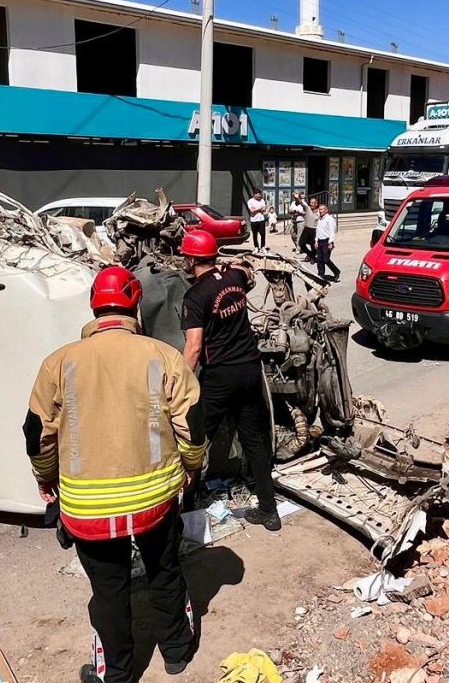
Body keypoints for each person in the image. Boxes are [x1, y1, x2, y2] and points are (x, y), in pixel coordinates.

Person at [26, 266, 205, 683]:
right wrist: (192, 469)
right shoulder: (164, 356)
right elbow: (192, 426)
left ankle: (119, 674)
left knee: (109, 591)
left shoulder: (58, 362)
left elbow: (39, 434)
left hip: (88, 509)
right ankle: (177, 652)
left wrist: (45, 478)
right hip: (156, 501)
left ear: (94, 307)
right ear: (136, 306)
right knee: (165, 572)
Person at [179, 229, 280, 531]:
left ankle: (182, 508)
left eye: (186, 256)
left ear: (191, 259)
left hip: (220, 375)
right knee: (253, 440)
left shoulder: (195, 296)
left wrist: (180, 384)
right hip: (249, 369)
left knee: (195, 439)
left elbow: (194, 346)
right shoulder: (234, 279)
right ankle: (269, 510)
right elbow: (246, 272)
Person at [314, 203, 340, 283]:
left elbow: (332, 231)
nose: (320, 211)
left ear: (326, 210)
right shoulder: (320, 219)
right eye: (319, 209)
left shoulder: (330, 219)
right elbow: (318, 231)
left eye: (322, 209)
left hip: (327, 241)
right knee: (319, 259)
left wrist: (330, 242)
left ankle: (336, 271)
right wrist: (316, 240)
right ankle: (321, 274)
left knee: (326, 259)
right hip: (320, 241)